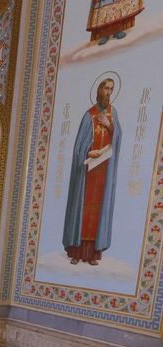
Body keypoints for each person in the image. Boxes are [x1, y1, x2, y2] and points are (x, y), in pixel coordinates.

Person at [62, 77, 119, 266]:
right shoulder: (89, 115)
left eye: (111, 89)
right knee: (83, 210)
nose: (108, 93)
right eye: (106, 89)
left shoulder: (113, 114)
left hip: (103, 172)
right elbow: (79, 147)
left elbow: (118, 139)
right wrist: (88, 151)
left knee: (98, 212)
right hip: (87, 172)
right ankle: (77, 253)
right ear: (99, 90)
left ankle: (93, 255)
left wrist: (110, 125)